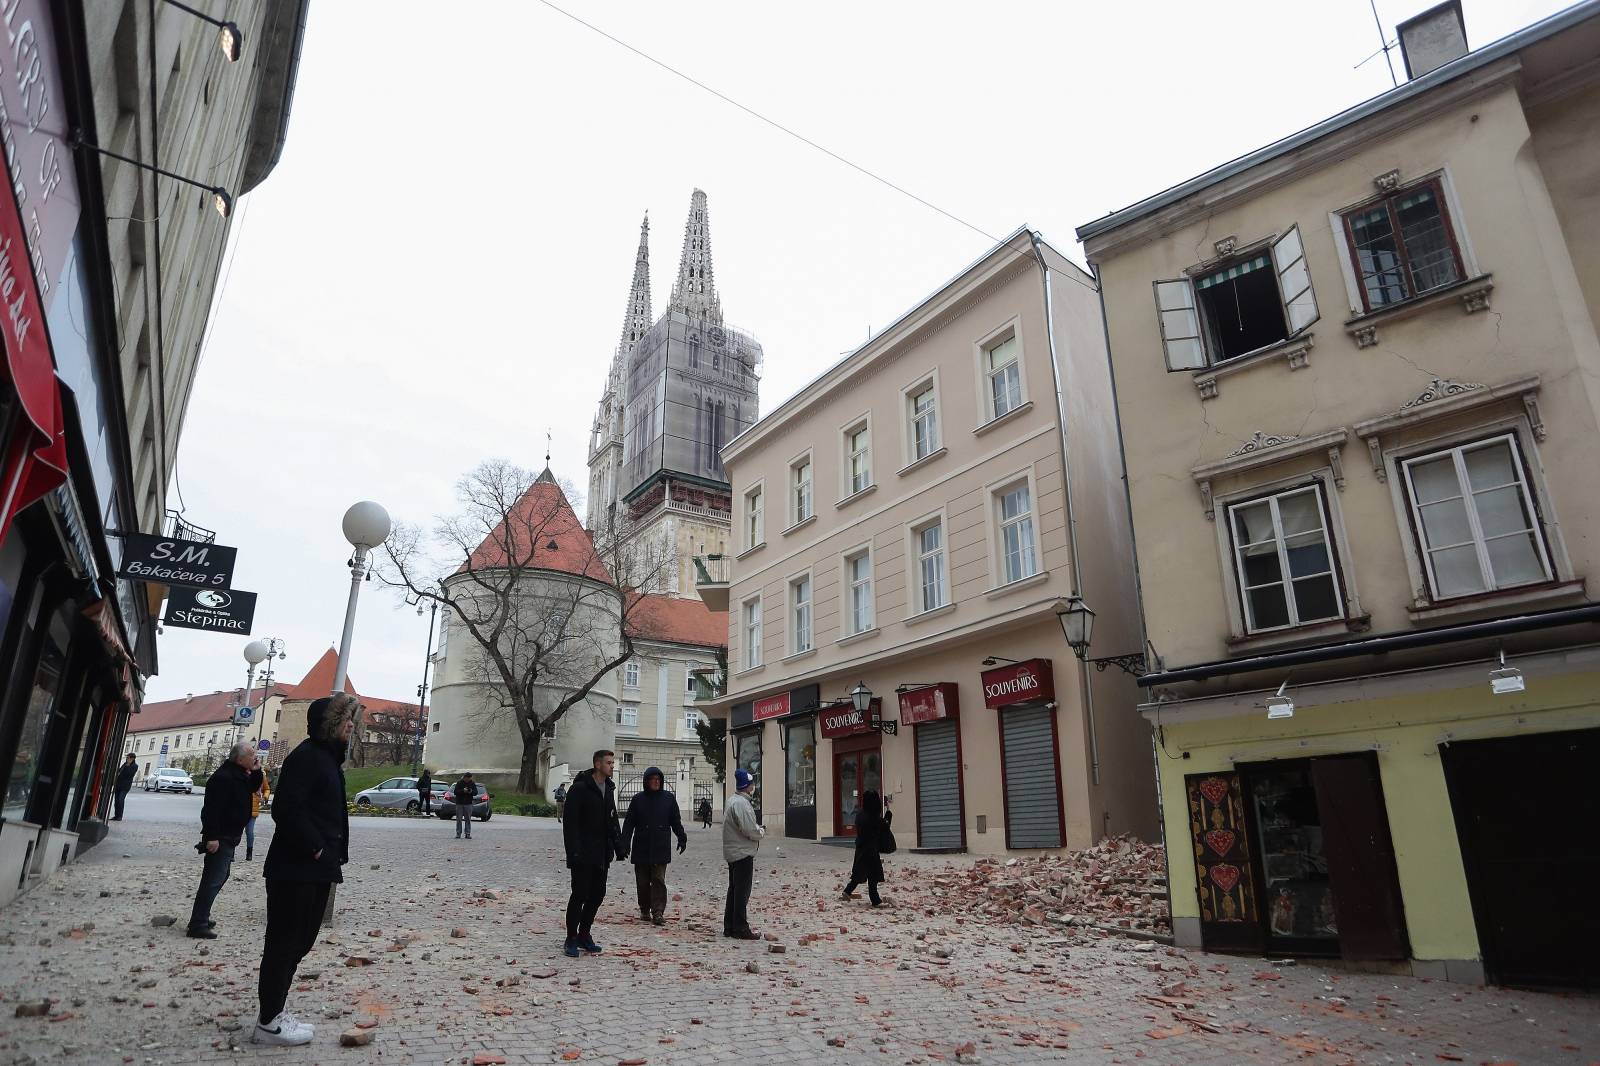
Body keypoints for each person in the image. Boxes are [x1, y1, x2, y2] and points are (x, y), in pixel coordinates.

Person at [253, 693, 358, 1047]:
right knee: (284, 943)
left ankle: (275, 1012)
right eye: (346, 720)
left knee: (300, 942)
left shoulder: (326, 759)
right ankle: (268, 1021)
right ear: (330, 725)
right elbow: (286, 809)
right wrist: (316, 849)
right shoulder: (308, 758)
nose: (352, 725)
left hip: (313, 869)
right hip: (295, 869)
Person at [187, 741, 255, 939]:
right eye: (251, 755)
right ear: (240, 758)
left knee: (220, 877)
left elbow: (253, 787)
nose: (255, 758)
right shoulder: (225, 777)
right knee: (213, 879)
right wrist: (212, 837)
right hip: (221, 837)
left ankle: (202, 916)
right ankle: (198, 923)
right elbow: (211, 811)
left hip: (230, 836)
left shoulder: (239, 774)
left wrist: (256, 770)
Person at [562, 750, 623, 958]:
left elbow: (612, 819)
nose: (612, 766)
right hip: (583, 853)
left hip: (602, 854)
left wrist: (619, 845)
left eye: (613, 763)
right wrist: (573, 853)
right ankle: (571, 937)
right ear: (598, 764)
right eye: (609, 762)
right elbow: (570, 826)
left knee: (597, 895)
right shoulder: (579, 789)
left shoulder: (609, 788)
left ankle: (584, 933)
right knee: (579, 894)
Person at [620, 766, 687, 925]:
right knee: (642, 881)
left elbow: (675, 821)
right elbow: (629, 824)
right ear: (646, 781)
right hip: (641, 845)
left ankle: (658, 912)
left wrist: (681, 837)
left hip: (660, 845)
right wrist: (624, 844)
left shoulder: (668, 799)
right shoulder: (638, 800)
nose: (655, 782)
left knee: (658, 879)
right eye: (652, 779)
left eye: (658, 779)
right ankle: (644, 908)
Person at [722, 768, 763, 940]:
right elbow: (748, 829)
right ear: (747, 785)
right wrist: (760, 831)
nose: (754, 786)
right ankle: (740, 927)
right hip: (742, 852)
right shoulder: (741, 804)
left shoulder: (732, 800)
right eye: (752, 784)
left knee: (734, 890)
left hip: (733, 851)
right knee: (741, 892)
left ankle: (730, 926)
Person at [842, 789, 892, 907]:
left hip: (860, 848)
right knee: (873, 875)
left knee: (859, 873)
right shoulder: (873, 817)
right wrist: (888, 814)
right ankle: (875, 900)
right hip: (871, 850)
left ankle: (847, 891)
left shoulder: (860, 814)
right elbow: (884, 827)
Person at [244, 754, 269, 861]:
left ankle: (249, 852)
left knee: (249, 831)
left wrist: (265, 798)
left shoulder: (261, 775)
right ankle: (231, 853)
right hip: (241, 806)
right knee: (236, 831)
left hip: (253, 806)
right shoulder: (243, 773)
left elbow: (266, 789)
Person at [452, 772, 477, 839]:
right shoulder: (459, 783)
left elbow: (475, 792)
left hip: (468, 803)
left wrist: (471, 791)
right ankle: (458, 833)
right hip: (459, 803)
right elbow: (455, 792)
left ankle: (467, 833)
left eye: (469, 778)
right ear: (464, 777)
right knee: (459, 819)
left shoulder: (472, 783)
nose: (468, 779)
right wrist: (463, 790)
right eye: (467, 778)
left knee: (468, 819)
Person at [112, 753, 136, 820]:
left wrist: (128, 766)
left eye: (128, 758)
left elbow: (130, 774)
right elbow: (119, 771)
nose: (127, 759)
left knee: (121, 800)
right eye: (127, 758)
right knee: (116, 800)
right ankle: (116, 815)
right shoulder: (124, 764)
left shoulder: (134, 766)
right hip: (118, 784)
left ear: (132, 759)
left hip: (125, 786)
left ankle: (120, 816)